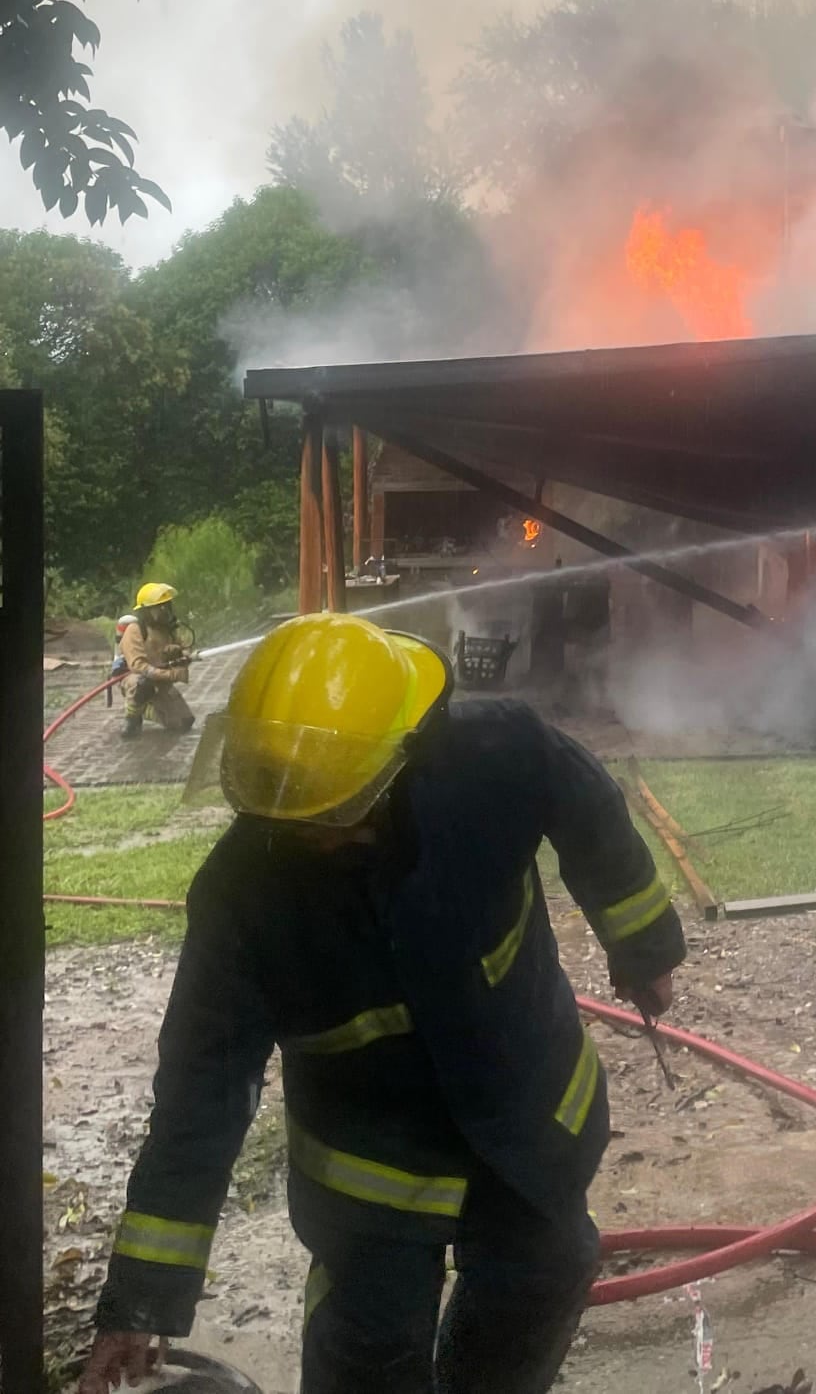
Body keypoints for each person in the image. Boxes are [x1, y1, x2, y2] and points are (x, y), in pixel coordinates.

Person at [79, 614, 685, 1394]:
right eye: (278, 791)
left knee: (541, 1280)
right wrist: (141, 1297)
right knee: (368, 1353)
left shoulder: (493, 757)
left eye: (330, 807)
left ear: (398, 764)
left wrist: (643, 948)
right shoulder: (241, 900)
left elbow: (591, 808)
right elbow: (199, 1094)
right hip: (371, 1177)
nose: (304, 828)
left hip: (524, 1120)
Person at [118, 582, 195, 740]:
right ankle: (133, 717)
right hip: (138, 680)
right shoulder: (136, 630)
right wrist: (171, 675)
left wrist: (179, 652)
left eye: (166, 606)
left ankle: (147, 710)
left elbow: (185, 651)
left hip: (160, 684)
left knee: (184, 722)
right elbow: (139, 666)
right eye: (159, 607)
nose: (164, 611)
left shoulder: (168, 630)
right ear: (146, 610)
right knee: (141, 683)